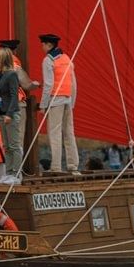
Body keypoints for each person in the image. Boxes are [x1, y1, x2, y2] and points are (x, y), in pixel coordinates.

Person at [40, 32, 79, 175]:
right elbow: (74, 83)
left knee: (54, 133)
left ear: (49, 45)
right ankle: (73, 164)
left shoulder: (48, 60)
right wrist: (72, 102)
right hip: (68, 99)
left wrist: (43, 105)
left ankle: (56, 166)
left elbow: (48, 85)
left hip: (55, 100)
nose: (42, 47)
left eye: (43, 44)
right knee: (69, 132)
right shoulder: (66, 58)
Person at [0, 46, 29, 177]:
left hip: (10, 114)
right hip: (1, 112)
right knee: (6, 146)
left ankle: (16, 173)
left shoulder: (12, 74)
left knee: (14, 145)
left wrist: (9, 114)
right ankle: (8, 173)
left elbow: (14, 95)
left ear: (3, 59)